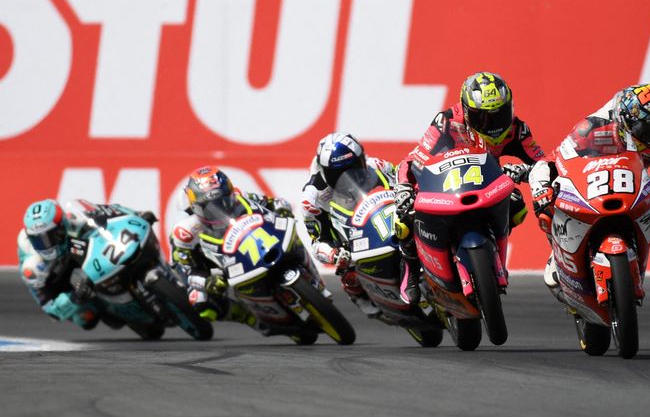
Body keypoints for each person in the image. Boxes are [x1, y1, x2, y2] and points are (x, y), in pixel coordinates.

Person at [528, 83, 650, 300]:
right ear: (625, 123)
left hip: (633, 191)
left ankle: (631, 257)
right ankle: (559, 255)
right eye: (646, 129)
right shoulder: (593, 130)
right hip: (592, 189)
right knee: (547, 209)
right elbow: (548, 162)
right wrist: (541, 189)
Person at [394, 71, 545, 304]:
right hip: (447, 186)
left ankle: (492, 246)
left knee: (517, 205)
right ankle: (411, 269)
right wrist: (404, 187)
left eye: (500, 115)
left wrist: (526, 171)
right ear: (466, 111)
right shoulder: (445, 123)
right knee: (405, 217)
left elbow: (542, 162)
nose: (493, 125)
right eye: (482, 118)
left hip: (489, 185)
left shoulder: (516, 129)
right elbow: (412, 159)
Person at [169, 166, 294, 328]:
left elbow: (274, 203)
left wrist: (282, 210)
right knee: (200, 301)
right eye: (209, 207)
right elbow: (184, 269)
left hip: (244, 240)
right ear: (196, 208)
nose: (218, 208)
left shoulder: (240, 197)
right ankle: (251, 319)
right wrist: (205, 282)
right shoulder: (185, 230)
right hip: (207, 260)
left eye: (223, 200)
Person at [17, 199, 156, 329]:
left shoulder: (72, 220)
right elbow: (51, 311)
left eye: (51, 236)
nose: (47, 245)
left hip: (75, 256)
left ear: (62, 226)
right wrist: (75, 297)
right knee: (86, 319)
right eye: (39, 241)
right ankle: (111, 308)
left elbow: (109, 211)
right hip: (61, 284)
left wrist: (137, 214)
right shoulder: (32, 268)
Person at [300, 132, 396, 317]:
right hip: (350, 237)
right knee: (349, 274)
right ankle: (368, 303)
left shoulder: (377, 166)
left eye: (353, 167)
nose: (349, 176)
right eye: (337, 174)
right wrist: (334, 255)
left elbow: (404, 181)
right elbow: (317, 241)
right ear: (325, 172)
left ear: (361, 159)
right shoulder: (312, 198)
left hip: (385, 218)